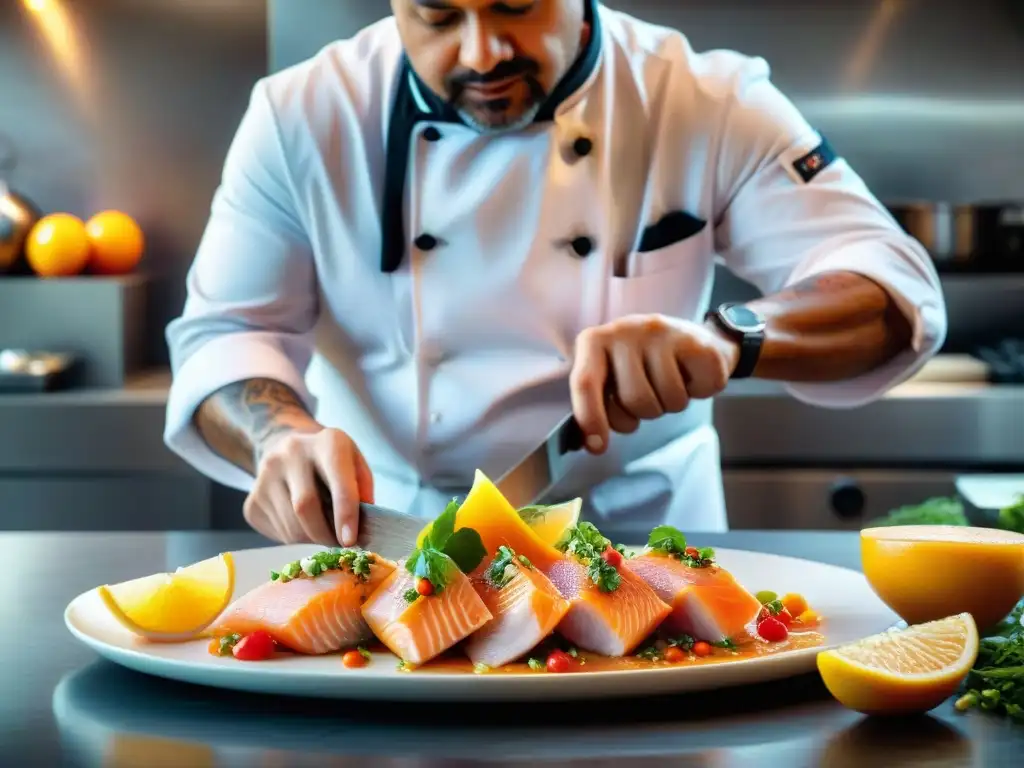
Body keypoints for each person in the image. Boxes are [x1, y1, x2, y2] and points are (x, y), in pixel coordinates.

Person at [164, 0, 947, 547]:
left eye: (516, 5)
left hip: (652, 543)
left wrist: (729, 340)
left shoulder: (704, 99)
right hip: (396, 545)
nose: (480, 53)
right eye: (438, 15)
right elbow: (228, 334)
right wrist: (279, 440)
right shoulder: (303, 115)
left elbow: (887, 289)